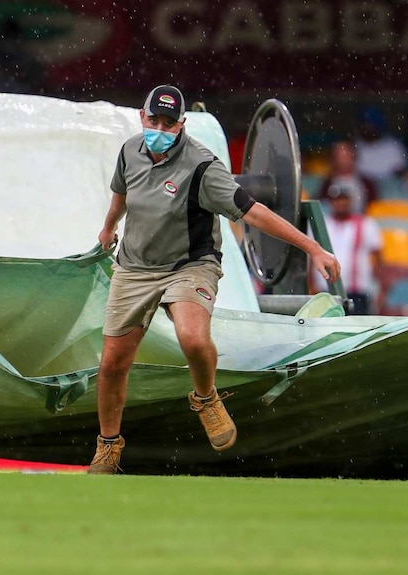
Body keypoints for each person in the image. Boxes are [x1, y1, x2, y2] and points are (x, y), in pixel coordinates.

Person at [87, 85, 341, 474]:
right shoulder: (129, 152)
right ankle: (108, 446)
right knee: (112, 365)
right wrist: (108, 228)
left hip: (190, 265)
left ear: (182, 125)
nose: (159, 128)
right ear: (142, 116)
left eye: (168, 123)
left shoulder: (202, 166)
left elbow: (253, 213)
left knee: (192, 337)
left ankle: (206, 398)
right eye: (153, 120)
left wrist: (313, 249)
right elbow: (121, 197)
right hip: (135, 267)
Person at [310, 184, 383, 315]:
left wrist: (380, 289)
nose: (341, 203)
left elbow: (378, 258)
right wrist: (311, 285)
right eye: (337, 199)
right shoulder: (321, 224)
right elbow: (311, 257)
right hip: (325, 290)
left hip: (357, 290)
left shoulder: (366, 224)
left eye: (344, 199)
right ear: (331, 202)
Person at [317, 140, 378, 214]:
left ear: (354, 157)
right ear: (334, 158)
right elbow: (320, 206)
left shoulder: (366, 183)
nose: (343, 160)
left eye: (346, 155)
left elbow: (374, 206)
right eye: (339, 156)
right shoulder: (327, 184)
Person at [353, 106, 408, 183]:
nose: (366, 128)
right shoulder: (355, 146)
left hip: (389, 188)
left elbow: (401, 172)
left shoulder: (393, 146)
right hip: (363, 187)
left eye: (370, 125)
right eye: (364, 124)